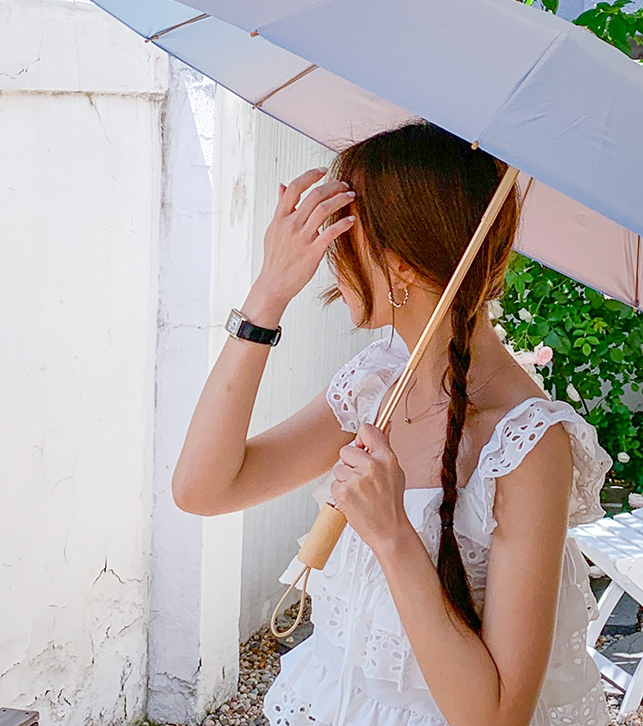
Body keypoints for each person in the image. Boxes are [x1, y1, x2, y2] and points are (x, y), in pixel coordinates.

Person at [171, 121, 614, 726]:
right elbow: (203, 488)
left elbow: (498, 717)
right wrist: (267, 295)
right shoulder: (377, 380)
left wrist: (392, 535)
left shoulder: (526, 444)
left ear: (397, 265)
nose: (329, 260)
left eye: (340, 238)